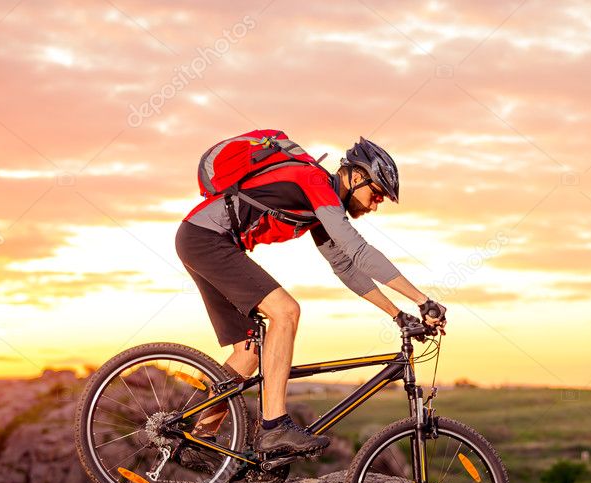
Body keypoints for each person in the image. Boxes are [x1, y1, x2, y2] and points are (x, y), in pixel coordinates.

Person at [174, 136, 447, 457]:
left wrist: (396, 314)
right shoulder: (314, 181)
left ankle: (195, 438)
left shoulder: (320, 206)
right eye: (376, 194)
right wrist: (421, 300)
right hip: (206, 240)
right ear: (356, 177)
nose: (376, 205)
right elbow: (358, 250)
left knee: (249, 351)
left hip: (204, 240)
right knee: (286, 312)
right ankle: (274, 427)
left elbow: (345, 266)